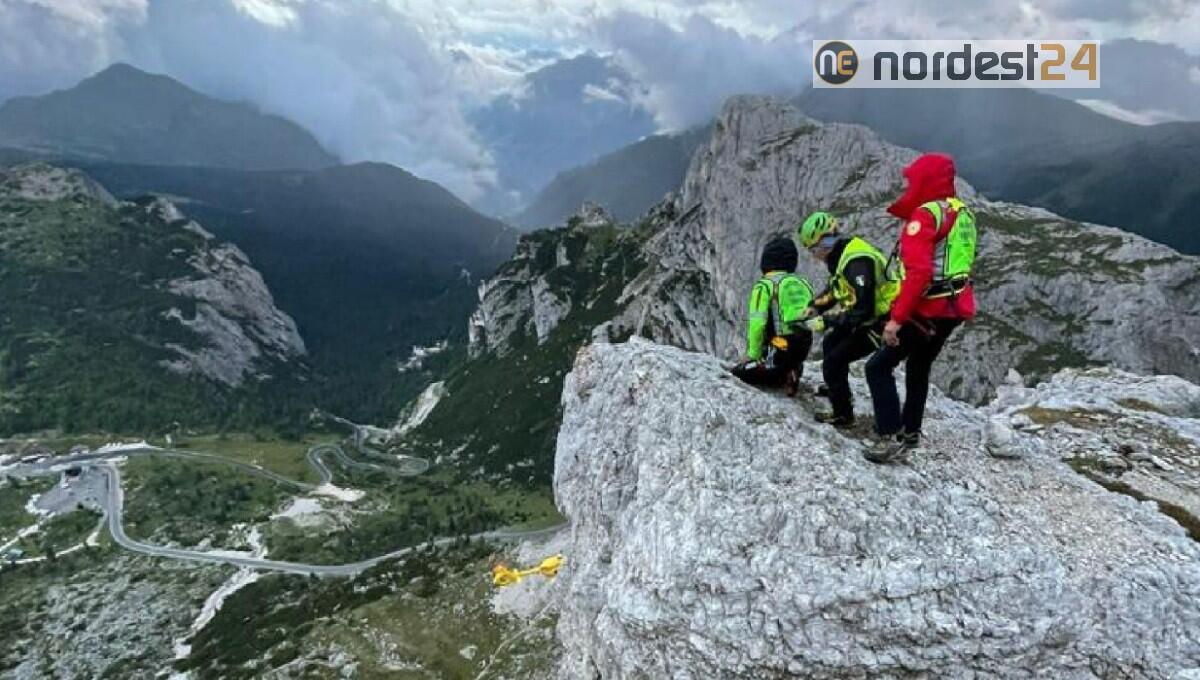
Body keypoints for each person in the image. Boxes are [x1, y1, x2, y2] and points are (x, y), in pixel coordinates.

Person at [864, 153, 977, 464]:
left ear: (926, 181)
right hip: (955, 307)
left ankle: (889, 435)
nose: (908, 185)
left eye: (913, 179)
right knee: (918, 367)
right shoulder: (961, 212)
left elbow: (919, 273)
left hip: (928, 309)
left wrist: (896, 319)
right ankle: (911, 432)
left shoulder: (925, 216)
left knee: (877, 367)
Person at [796, 211, 897, 429]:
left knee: (835, 359)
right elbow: (836, 289)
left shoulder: (856, 262)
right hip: (871, 318)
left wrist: (827, 321)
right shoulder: (842, 254)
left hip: (882, 322)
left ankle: (843, 415)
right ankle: (836, 386)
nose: (814, 255)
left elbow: (863, 310)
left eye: (813, 249)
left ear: (825, 242)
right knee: (830, 343)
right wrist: (814, 307)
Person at [731, 237, 815, 395]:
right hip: (803, 346)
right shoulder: (804, 284)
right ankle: (792, 368)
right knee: (787, 356)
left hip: (780, 346)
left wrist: (752, 355)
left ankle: (777, 371)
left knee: (737, 374)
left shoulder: (764, 285)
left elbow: (757, 323)